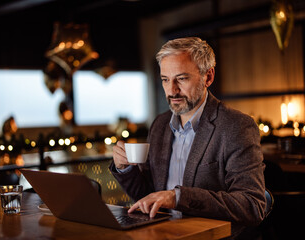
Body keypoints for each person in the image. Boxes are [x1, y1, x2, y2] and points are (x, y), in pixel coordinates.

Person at [110, 37, 266, 239]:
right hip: (162, 233)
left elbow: (252, 206)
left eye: (182, 79)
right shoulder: (159, 125)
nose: (172, 90)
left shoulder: (236, 126)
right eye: (165, 79)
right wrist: (126, 169)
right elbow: (147, 196)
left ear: (208, 77)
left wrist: (178, 198)